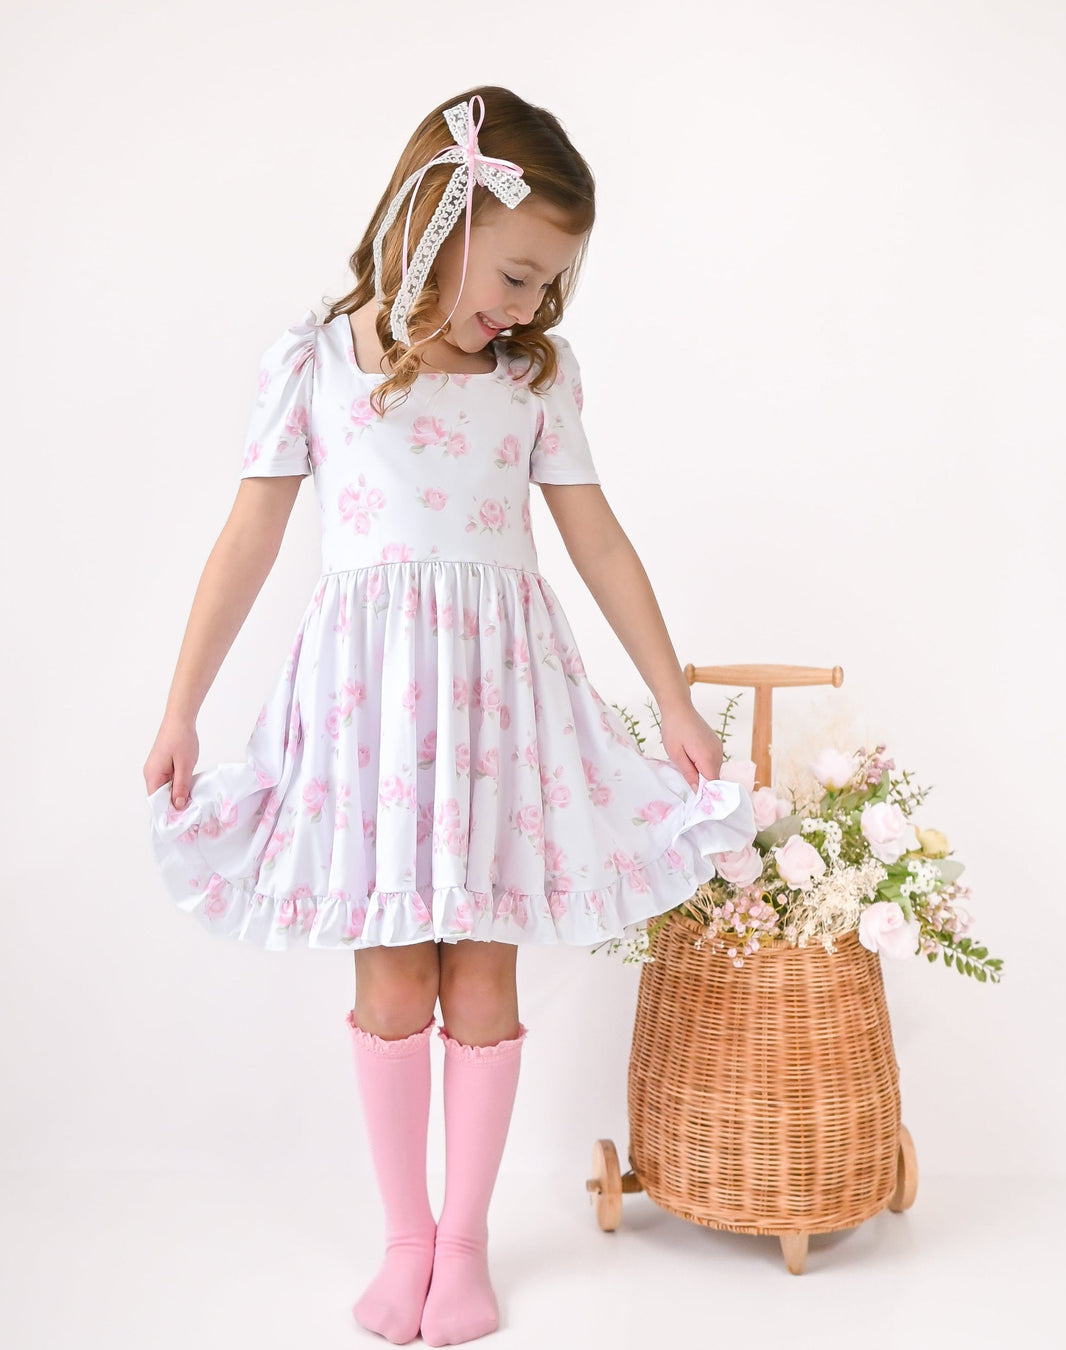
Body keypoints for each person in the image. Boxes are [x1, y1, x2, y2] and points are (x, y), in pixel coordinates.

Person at [143, 86, 756, 1346]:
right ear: (441, 218)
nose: (528, 306)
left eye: (550, 285)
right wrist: (181, 707)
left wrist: (672, 698)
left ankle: (465, 1244)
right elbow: (247, 539)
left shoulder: (533, 381)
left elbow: (597, 541)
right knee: (391, 970)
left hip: (496, 706)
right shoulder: (317, 362)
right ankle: (405, 1239)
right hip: (371, 710)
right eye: (517, 275)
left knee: (481, 965)